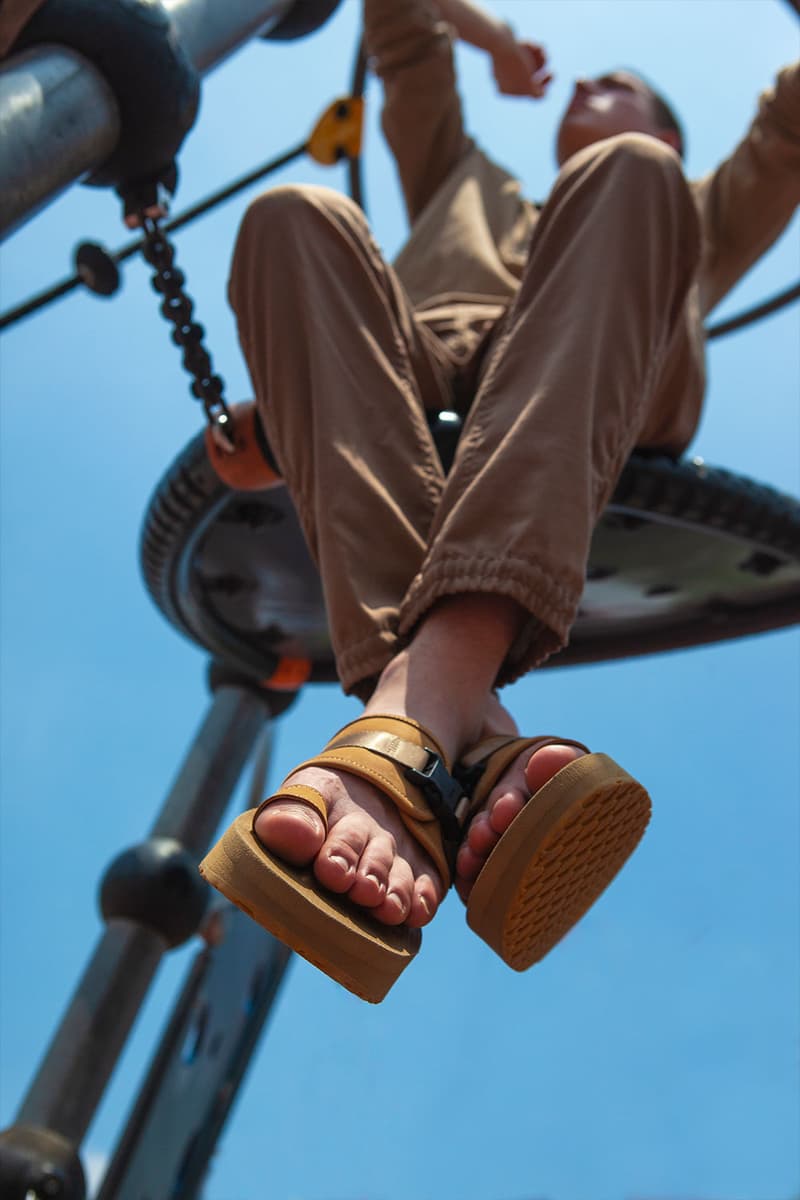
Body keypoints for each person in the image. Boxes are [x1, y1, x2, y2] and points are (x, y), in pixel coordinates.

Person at [201, 0, 800, 1002]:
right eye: (578, 83)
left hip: (611, 347)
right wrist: (484, 40)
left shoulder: (694, 197)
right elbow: (400, 26)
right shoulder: (463, 181)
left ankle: (410, 711)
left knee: (625, 179)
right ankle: (467, 739)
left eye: (613, 86)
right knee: (291, 220)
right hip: (435, 352)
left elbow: (784, 132)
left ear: (665, 118)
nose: (581, 90)